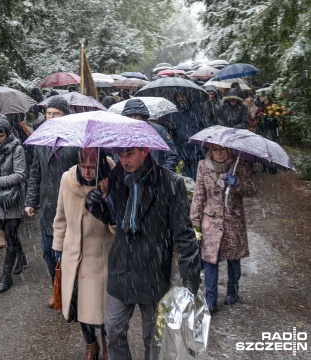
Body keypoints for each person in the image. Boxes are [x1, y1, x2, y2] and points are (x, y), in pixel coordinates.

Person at [85, 146, 202, 360]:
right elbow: (115, 221)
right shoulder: (117, 177)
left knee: (153, 337)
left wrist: (190, 282)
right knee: (113, 331)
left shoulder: (170, 183)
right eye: (120, 156)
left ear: (145, 151)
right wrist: (94, 205)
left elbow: (185, 235)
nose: (124, 161)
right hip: (121, 266)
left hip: (152, 270)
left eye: (129, 155)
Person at [52, 148, 115, 360]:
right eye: (83, 166)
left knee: (102, 307)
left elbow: (118, 225)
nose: (87, 172)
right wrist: (58, 247)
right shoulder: (66, 180)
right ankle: (91, 344)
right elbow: (60, 216)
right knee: (78, 306)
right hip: (73, 255)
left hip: (100, 256)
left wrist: (106, 206)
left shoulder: (113, 180)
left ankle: (108, 343)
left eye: (92, 167)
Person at [25, 96, 80, 307]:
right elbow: (35, 172)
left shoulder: (75, 140)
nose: (51, 117)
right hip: (49, 206)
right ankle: (56, 286)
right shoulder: (41, 139)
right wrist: (31, 200)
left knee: (70, 251)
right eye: (48, 114)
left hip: (71, 205)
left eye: (56, 114)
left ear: (66, 116)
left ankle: (74, 291)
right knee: (48, 251)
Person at [190, 144, 256, 314]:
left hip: (233, 220)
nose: (219, 154)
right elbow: (199, 194)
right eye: (215, 150)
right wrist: (194, 221)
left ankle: (232, 290)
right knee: (210, 260)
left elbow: (252, 190)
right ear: (210, 151)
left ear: (229, 151)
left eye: (222, 150)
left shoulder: (239, 165)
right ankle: (211, 299)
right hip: (211, 220)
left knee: (233, 259)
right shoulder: (203, 166)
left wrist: (238, 183)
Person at [0, 116, 27, 293]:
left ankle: (5, 276)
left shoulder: (16, 148)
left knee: (10, 234)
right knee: (10, 233)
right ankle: (22, 258)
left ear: (7, 134)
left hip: (13, 197)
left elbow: (20, 174)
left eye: (2, 136)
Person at [121, 98, 180, 172]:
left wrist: (162, 173)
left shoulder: (158, 130)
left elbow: (172, 155)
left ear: (142, 115)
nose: (133, 118)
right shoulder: (123, 134)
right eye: (130, 115)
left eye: (136, 115)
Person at [161, 92, 209, 180]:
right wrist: (170, 128)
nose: (181, 99)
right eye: (178, 96)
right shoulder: (172, 112)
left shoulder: (198, 110)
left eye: (183, 96)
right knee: (184, 177)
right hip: (181, 150)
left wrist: (201, 147)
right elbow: (168, 132)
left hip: (196, 150)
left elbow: (206, 127)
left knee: (197, 176)